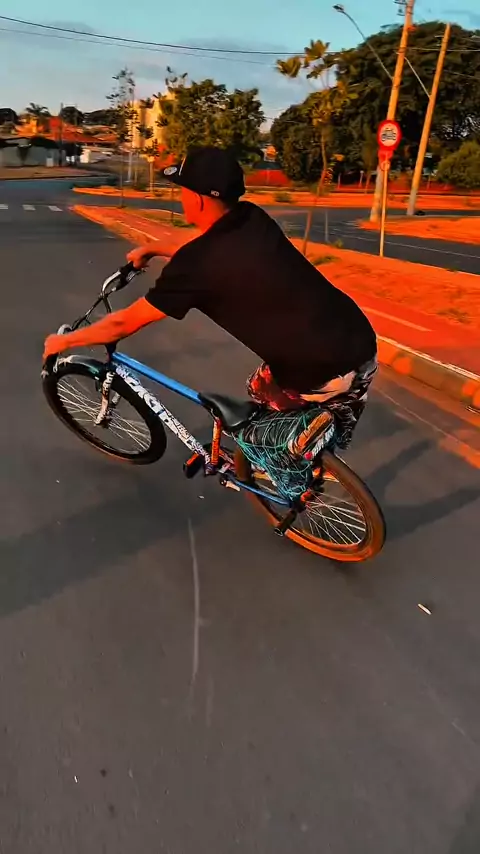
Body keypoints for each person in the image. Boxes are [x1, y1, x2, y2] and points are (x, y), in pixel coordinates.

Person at [44, 146, 377, 447]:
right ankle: (314, 428)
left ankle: (292, 455)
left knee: (262, 415)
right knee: (264, 387)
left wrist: (65, 341)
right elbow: (203, 245)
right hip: (358, 337)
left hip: (322, 371)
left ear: (198, 199)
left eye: (183, 190)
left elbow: (122, 324)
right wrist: (152, 249)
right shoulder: (251, 218)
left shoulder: (194, 268)